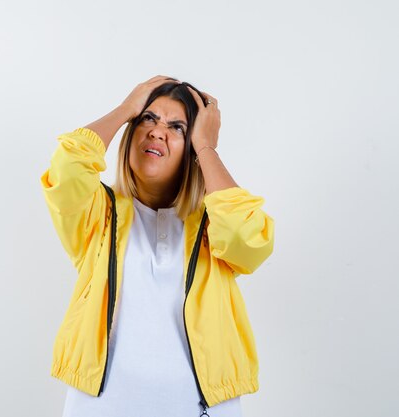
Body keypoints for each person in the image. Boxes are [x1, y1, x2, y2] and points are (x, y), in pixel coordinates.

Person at [40, 75, 275, 417]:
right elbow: (66, 169)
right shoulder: (99, 216)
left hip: (203, 409)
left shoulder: (214, 225)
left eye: (177, 127)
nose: (157, 131)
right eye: (148, 119)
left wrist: (207, 148)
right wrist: (125, 109)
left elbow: (250, 238)